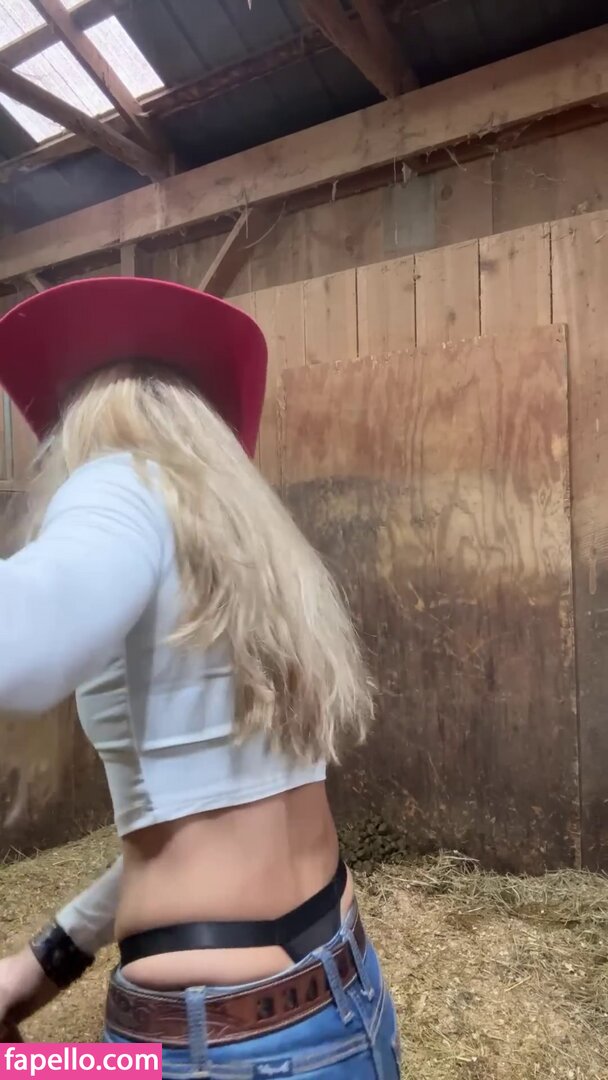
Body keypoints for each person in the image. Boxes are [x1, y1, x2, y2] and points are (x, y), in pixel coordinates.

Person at [0, 277, 400, 1077]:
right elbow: (189, 842)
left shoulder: (118, 479)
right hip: (342, 1000)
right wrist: (45, 959)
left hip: (217, 1046)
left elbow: (20, 652)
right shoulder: (248, 564)